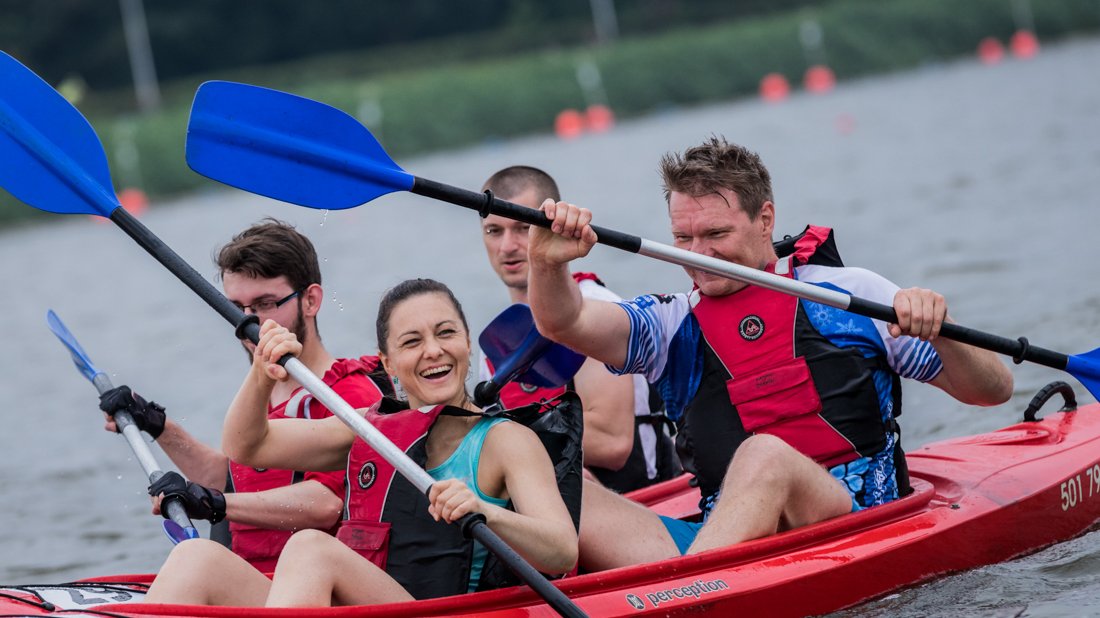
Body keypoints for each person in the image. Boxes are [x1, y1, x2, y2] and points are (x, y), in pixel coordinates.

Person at [524, 136, 1014, 570]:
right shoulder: (669, 324)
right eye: (683, 238)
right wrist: (545, 262)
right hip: (730, 543)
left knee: (765, 455)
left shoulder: (846, 295)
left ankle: (693, 593)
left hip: (853, 521)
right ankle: (686, 588)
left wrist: (943, 331)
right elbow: (564, 321)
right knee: (562, 490)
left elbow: (992, 391)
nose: (697, 253)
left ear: (765, 220)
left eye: (716, 234)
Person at [144, 278, 578, 607]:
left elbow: (560, 550)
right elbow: (246, 445)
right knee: (197, 556)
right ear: (389, 364)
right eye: (412, 342)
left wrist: (483, 510)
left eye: (446, 333)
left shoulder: (505, 440)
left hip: (439, 613)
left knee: (311, 548)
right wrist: (262, 371)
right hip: (366, 606)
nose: (433, 351)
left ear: (467, 341)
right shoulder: (368, 433)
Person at [98, 219, 389, 572]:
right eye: (237, 308)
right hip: (248, 579)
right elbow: (233, 480)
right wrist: (157, 426)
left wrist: (215, 503)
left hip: (310, 585)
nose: (247, 324)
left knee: (193, 560)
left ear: (310, 300)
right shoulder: (261, 391)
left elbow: (325, 504)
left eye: (265, 304)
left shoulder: (350, 394)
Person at [479, 165, 681, 492]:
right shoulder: (499, 338)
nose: (507, 247)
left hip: (643, 498)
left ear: (551, 225)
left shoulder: (593, 306)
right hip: (561, 506)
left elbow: (613, 444)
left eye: (521, 228)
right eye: (494, 232)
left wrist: (492, 440)